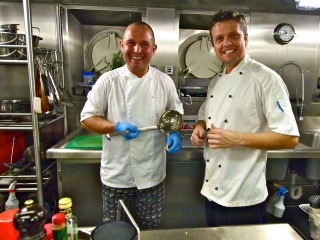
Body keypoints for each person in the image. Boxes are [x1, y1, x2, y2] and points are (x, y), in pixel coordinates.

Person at [190, 10, 299, 227]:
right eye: (219, 39)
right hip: (212, 192)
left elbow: (289, 137)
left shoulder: (266, 79)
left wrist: (236, 139)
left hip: (244, 199)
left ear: (245, 39)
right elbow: (204, 115)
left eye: (233, 36)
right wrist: (199, 128)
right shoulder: (217, 80)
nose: (226, 43)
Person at [80, 21, 183, 229]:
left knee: (149, 231)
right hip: (118, 176)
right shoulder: (108, 81)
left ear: (153, 49)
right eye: (131, 43)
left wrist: (174, 132)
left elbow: (175, 112)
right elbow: (87, 117)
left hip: (152, 176)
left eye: (144, 44)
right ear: (121, 45)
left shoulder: (164, 81)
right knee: (116, 232)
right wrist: (114, 127)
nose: (137, 50)